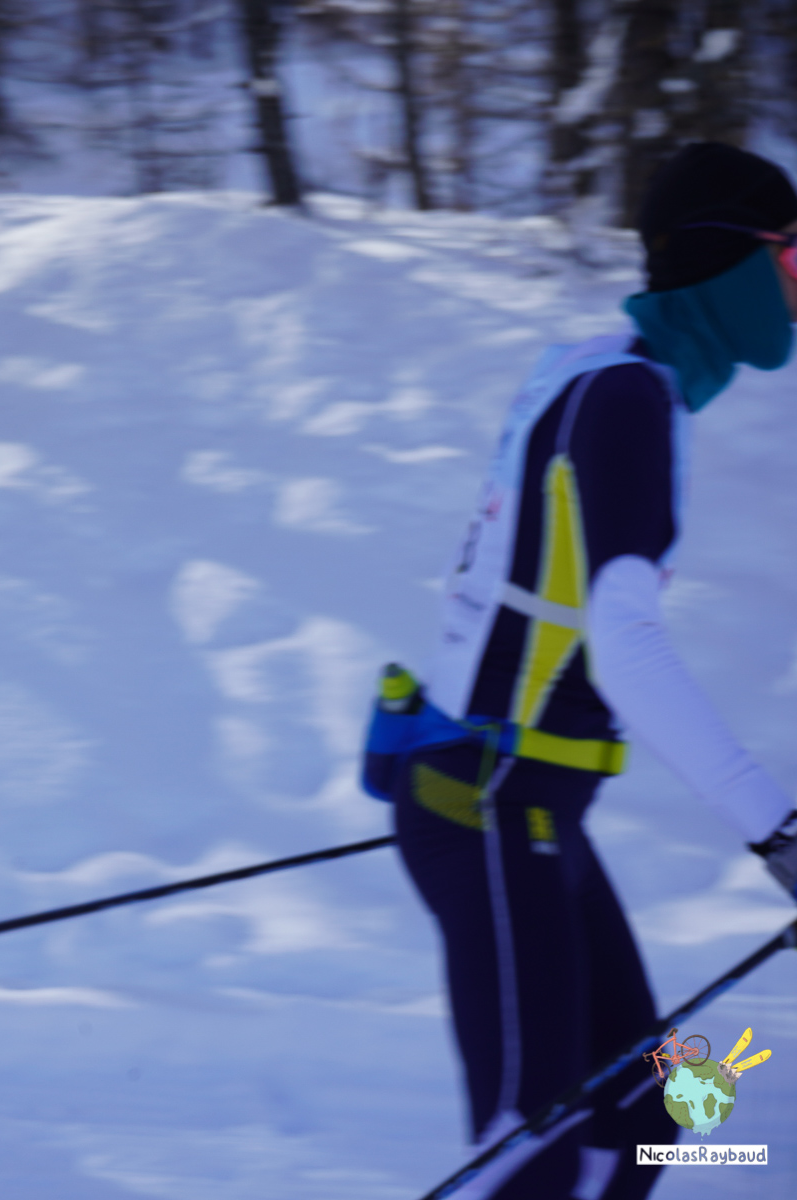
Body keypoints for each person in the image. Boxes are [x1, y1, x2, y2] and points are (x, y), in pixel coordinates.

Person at [391, 142, 797, 1199]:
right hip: (491, 804)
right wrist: (776, 827)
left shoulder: (605, 371)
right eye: (792, 256)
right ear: (730, 263)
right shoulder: (627, 398)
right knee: (532, 1155)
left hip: (519, 807)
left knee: (651, 1114)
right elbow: (625, 646)